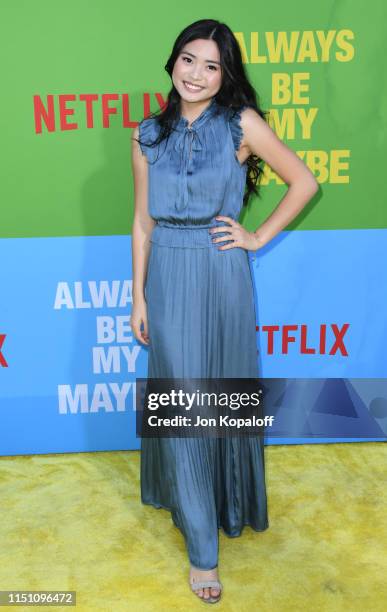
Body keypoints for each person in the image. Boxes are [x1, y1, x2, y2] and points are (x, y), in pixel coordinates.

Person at [130, 19, 318, 604]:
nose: (197, 74)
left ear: (225, 74)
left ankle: (225, 505)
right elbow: (142, 220)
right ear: (172, 62)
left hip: (222, 273)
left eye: (212, 66)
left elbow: (303, 182)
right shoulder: (146, 135)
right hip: (167, 274)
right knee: (185, 401)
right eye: (189, 60)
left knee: (224, 397)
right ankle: (203, 554)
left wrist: (256, 237)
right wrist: (137, 294)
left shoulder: (242, 124)